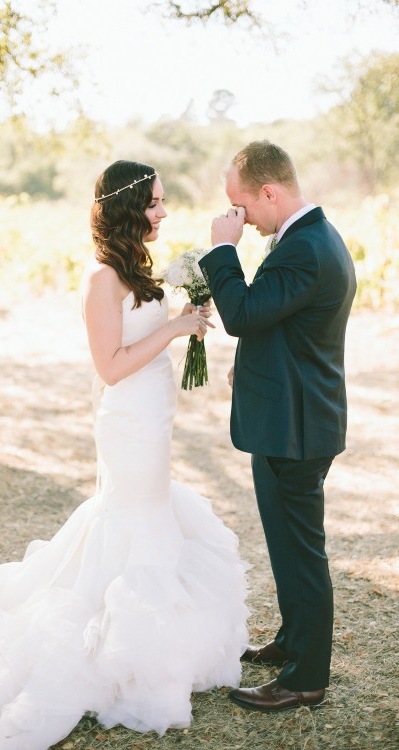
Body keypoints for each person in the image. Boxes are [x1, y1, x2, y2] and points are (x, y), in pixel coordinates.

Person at [0, 160, 249, 750]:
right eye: (154, 203)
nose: (164, 213)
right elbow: (110, 367)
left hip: (153, 416)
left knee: (153, 513)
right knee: (131, 519)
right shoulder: (100, 279)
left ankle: (159, 640)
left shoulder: (135, 267)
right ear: (125, 207)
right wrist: (173, 328)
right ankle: (115, 646)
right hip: (128, 423)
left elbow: (143, 342)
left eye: (163, 202)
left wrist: (186, 321)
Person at [199, 140, 356, 712]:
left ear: (269, 192)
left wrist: (222, 250)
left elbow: (241, 313)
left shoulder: (307, 248)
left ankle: (307, 677)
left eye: (239, 207)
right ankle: (294, 641)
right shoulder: (307, 238)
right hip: (291, 417)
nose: (236, 218)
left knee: (301, 553)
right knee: (288, 548)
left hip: (298, 427)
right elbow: (279, 321)